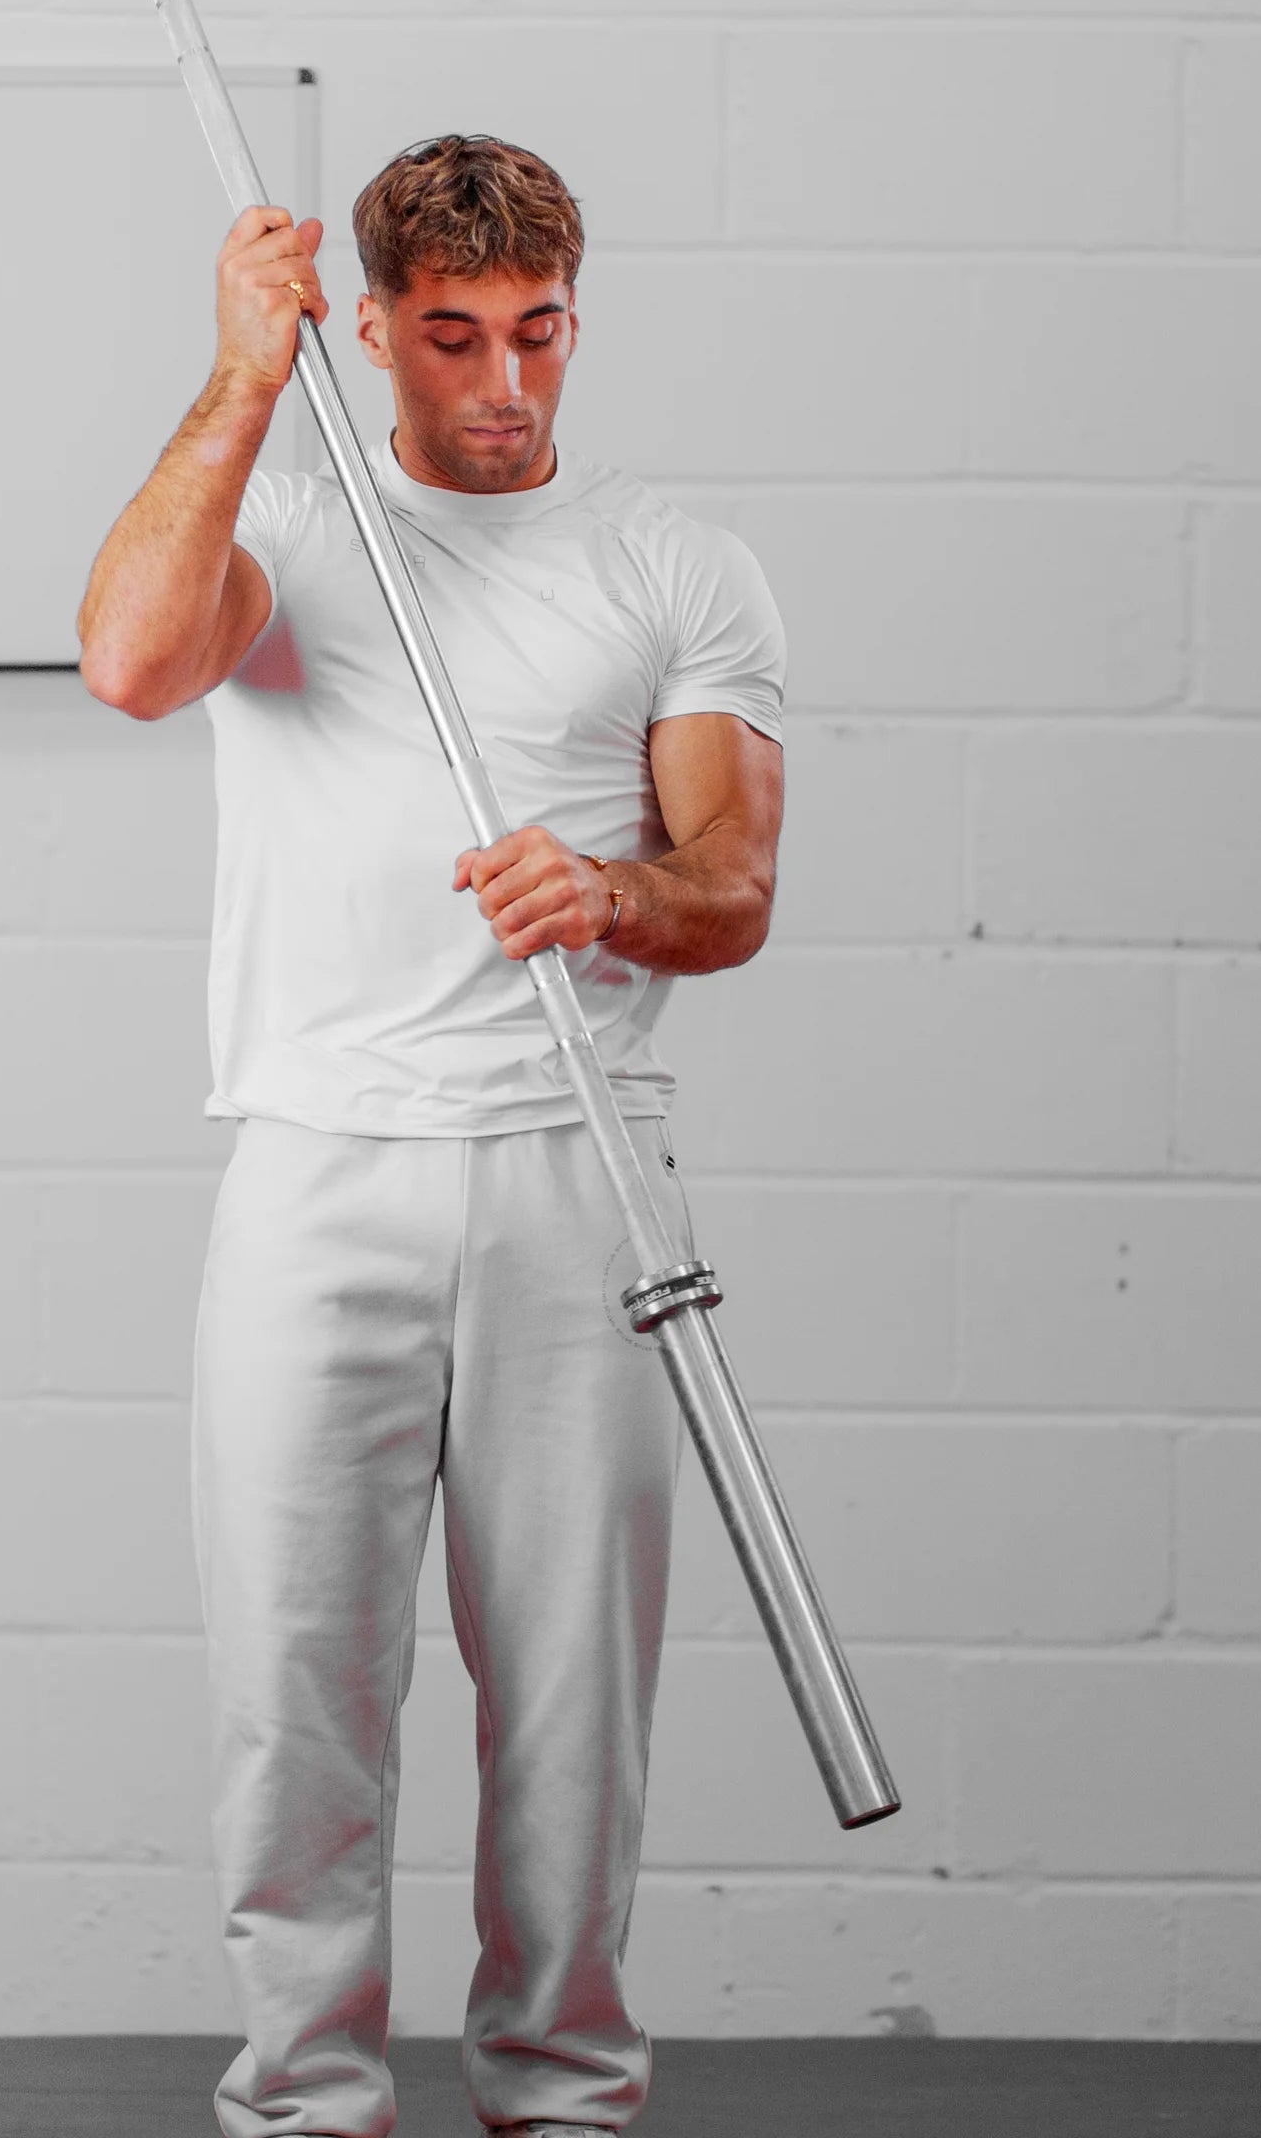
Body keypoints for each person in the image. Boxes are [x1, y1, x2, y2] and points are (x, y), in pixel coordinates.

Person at [75, 134, 786, 2138]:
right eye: (452, 337)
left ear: (577, 317)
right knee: (295, 1692)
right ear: (370, 326)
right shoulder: (288, 526)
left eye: (539, 335)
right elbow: (130, 659)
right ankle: (306, 2099)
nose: (500, 387)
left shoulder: (675, 564)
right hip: (320, 1171)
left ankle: (563, 2095)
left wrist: (616, 895)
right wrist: (235, 373)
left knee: (574, 1705)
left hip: (582, 1174)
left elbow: (730, 882)